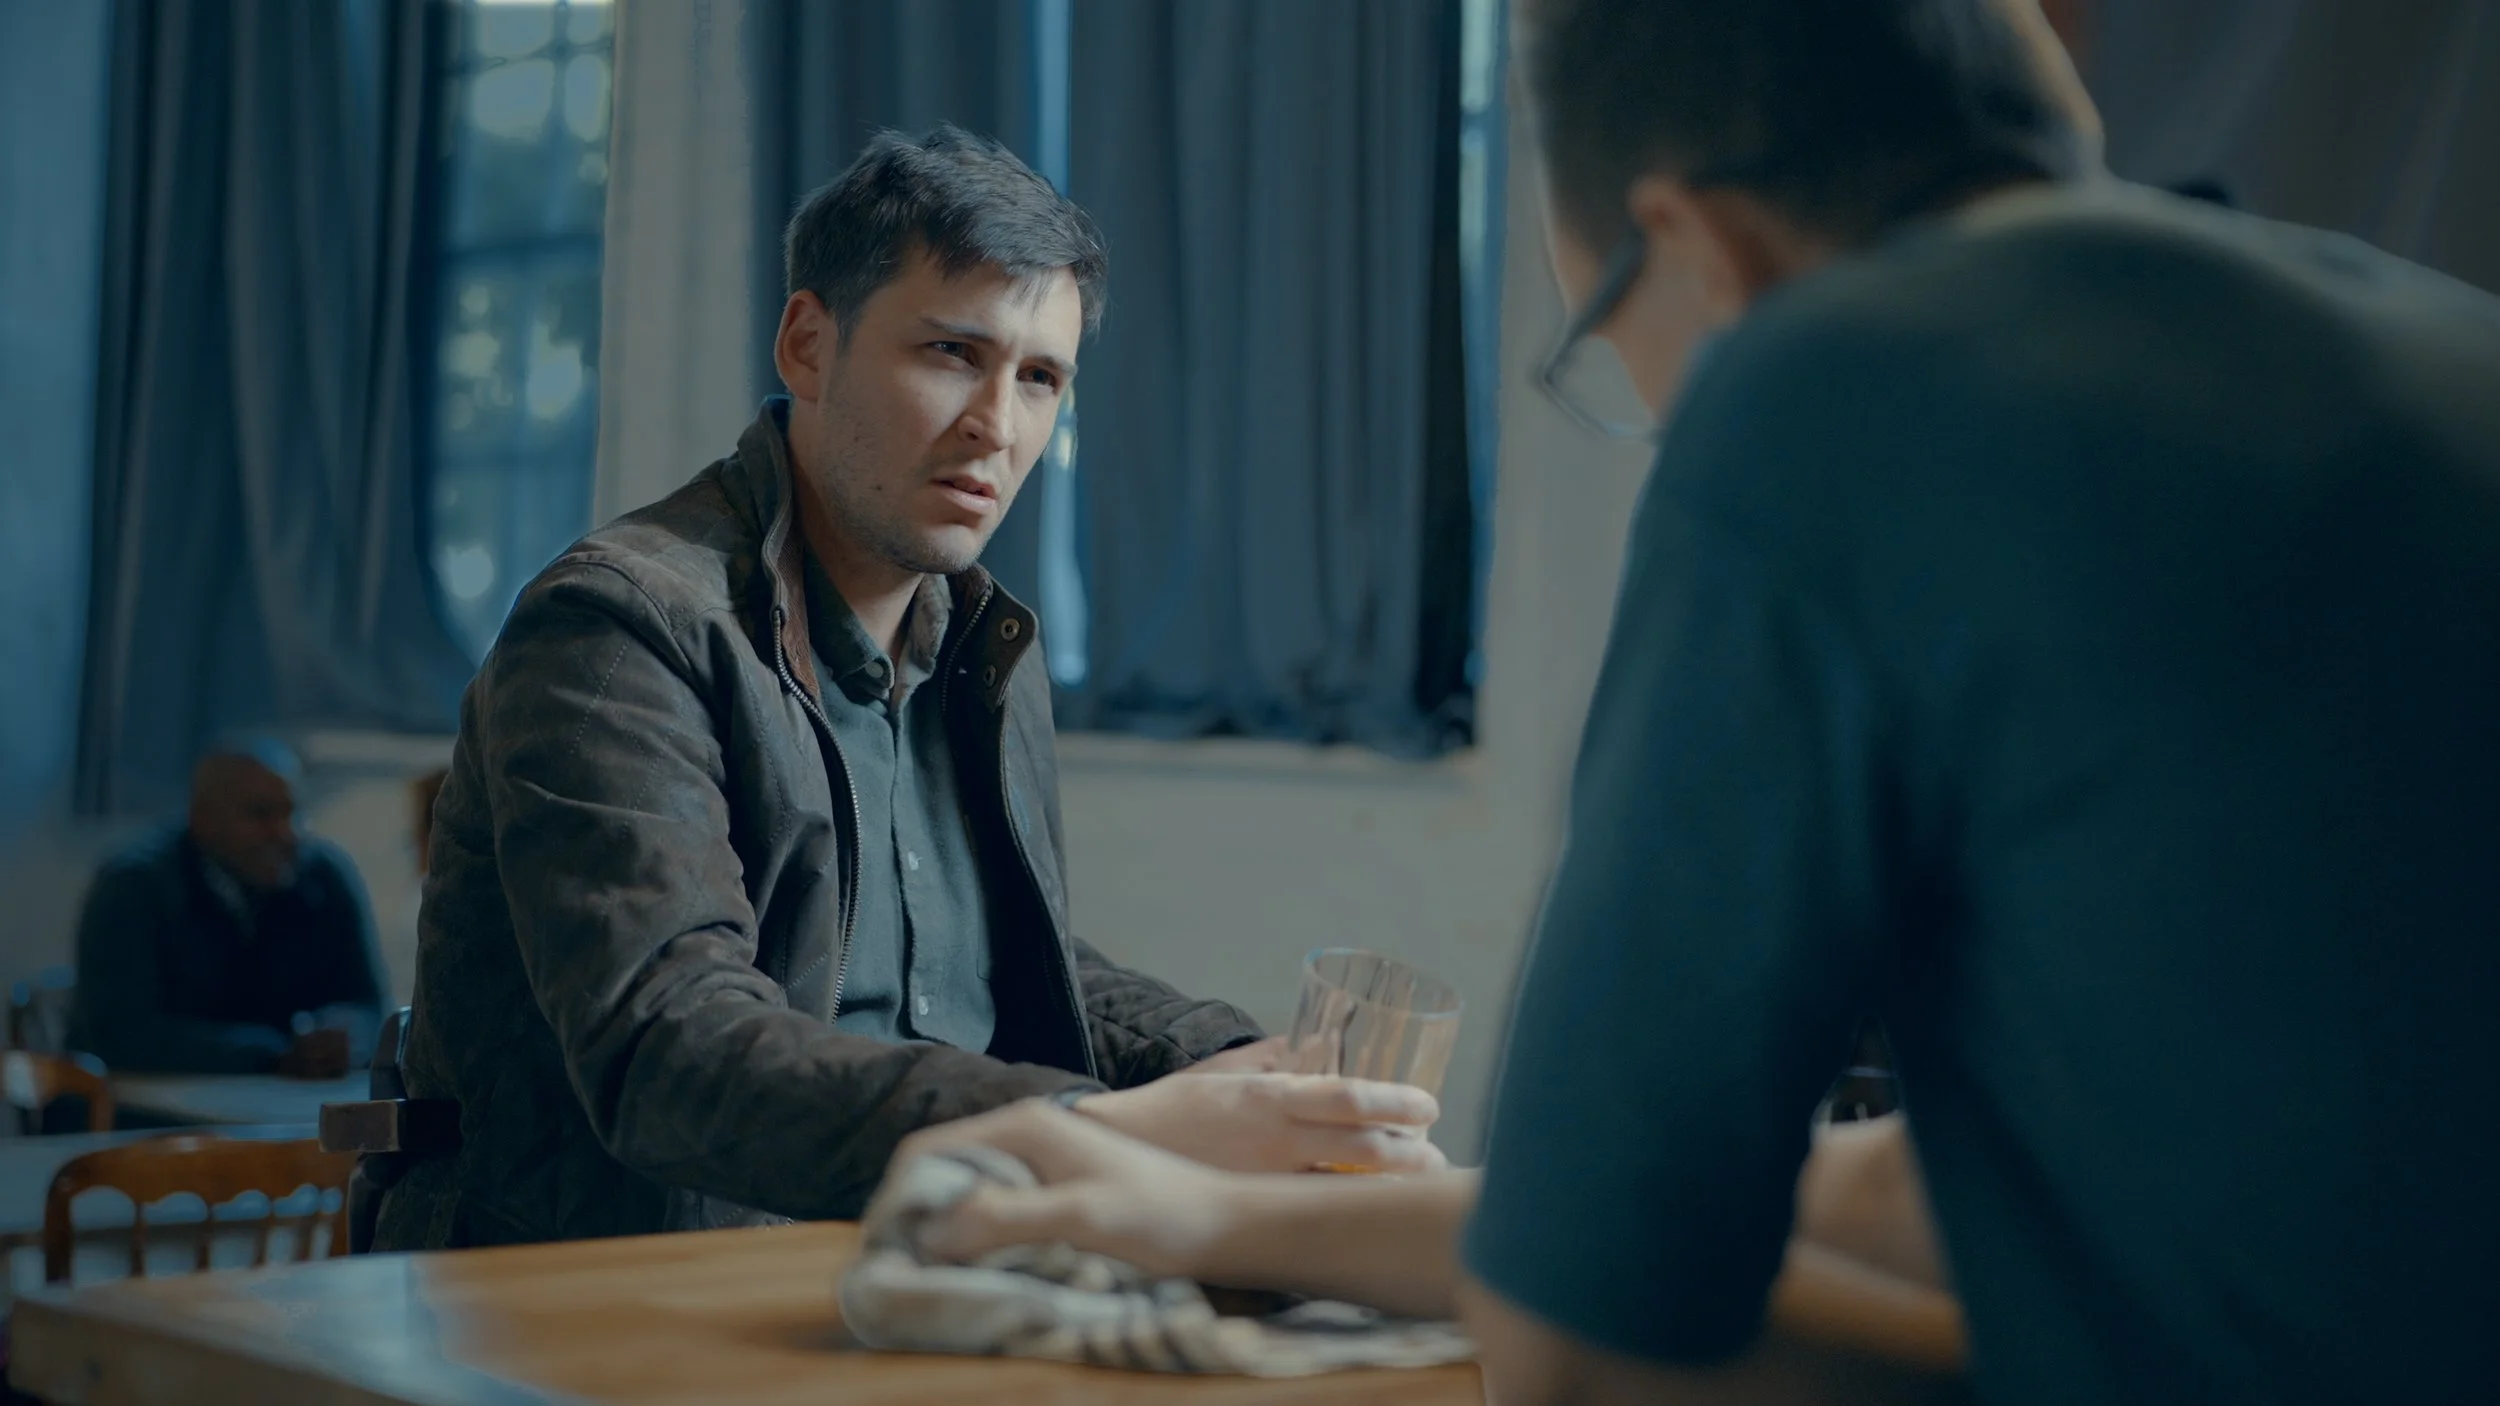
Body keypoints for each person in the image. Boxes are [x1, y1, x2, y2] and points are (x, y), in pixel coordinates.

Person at [886, 1, 2500, 1401]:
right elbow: (1925, 1196)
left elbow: (1583, 1349)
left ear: (1706, 250)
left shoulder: (1830, 385)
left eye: (1612, 347)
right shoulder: (2429, 341)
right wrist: (1187, 1212)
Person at [375, 127, 1440, 1253]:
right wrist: (1108, 1128)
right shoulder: (617, 627)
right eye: (949, 353)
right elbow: (672, 1051)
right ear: (806, 345)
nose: (997, 423)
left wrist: (1228, 1067)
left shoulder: (981, 642)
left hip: (895, 1272)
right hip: (598, 1300)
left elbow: (997, 957)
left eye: (1040, 378)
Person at [69, 738, 384, 1078]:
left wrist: (346, 1035)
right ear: (203, 819)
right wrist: (270, 1056)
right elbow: (121, 1034)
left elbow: (368, 1002)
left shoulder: (326, 876)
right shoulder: (133, 884)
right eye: (260, 814)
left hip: (281, 1105)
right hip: (144, 1113)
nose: (284, 832)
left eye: (291, 812)